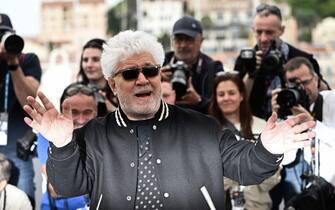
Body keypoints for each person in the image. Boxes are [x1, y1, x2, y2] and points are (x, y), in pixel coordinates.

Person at [23, 30, 315, 210]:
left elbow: (248, 168)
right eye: (129, 73)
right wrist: (62, 144)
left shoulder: (202, 126)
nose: (142, 80)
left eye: (150, 71)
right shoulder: (94, 134)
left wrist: (269, 149)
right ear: (112, 84)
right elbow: (69, 187)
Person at [234, 3, 330, 120]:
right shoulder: (246, 58)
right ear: (253, 30)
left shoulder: (302, 58)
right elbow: (235, 102)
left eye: (269, 32)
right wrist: (251, 73)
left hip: (295, 122)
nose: (263, 38)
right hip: (256, 126)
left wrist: (309, 79)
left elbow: (325, 95)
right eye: (259, 32)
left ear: (282, 30)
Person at [208, 72, 280, 210]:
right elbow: (206, 175)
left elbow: (274, 172)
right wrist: (250, 171)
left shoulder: (262, 126)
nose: (226, 98)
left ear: (241, 95)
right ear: (215, 98)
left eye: (231, 93)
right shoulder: (207, 130)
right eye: (221, 94)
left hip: (258, 205)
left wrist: (232, 173)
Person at [271, 57, 335, 209]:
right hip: (301, 190)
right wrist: (278, 119)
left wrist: (312, 123)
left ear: (316, 80)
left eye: (305, 83)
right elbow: (286, 160)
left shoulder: (332, 101)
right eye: (293, 84)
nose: (301, 89)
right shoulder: (286, 108)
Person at [0, 13, 41, 205]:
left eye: (4, 35)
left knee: (24, 201)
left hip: (17, 149)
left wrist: (13, 63)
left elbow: (28, 99)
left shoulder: (27, 60)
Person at [37, 82, 97, 210]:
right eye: (74, 112)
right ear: (63, 111)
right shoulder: (47, 134)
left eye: (87, 112)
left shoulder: (103, 133)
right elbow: (55, 189)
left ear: (97, 113)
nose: (81, 119)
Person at [162, 16, 223, 114]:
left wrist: (199, 101)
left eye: (189, 40)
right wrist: (156, 79)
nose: (183, 45)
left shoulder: (213, 68)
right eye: (178, 39)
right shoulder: (160, 64)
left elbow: (224, 108)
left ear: (201, 41)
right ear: (172, 41)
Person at [77, 38, 117, 116]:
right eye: (85, 60)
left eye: (95, 59)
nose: (89, 65)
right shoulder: (74, 92)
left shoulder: (121, 92)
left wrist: (115, 113)